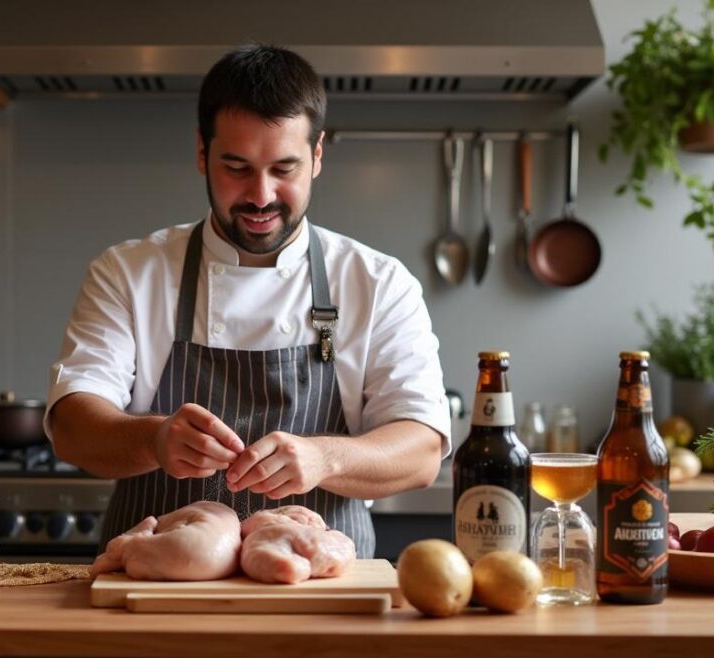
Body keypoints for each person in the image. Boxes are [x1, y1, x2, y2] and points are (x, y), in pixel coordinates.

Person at [46, 45, 449, 558]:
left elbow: (422, 452)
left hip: (320, 601)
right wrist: (154, 440)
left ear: (318, 156)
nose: (261, 195)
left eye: (285, 168)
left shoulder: (377, 282)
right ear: (201, 153)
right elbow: (73, 429)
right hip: (154, 600)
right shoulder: (128, 272)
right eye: (236, 167)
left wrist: (327, 458)